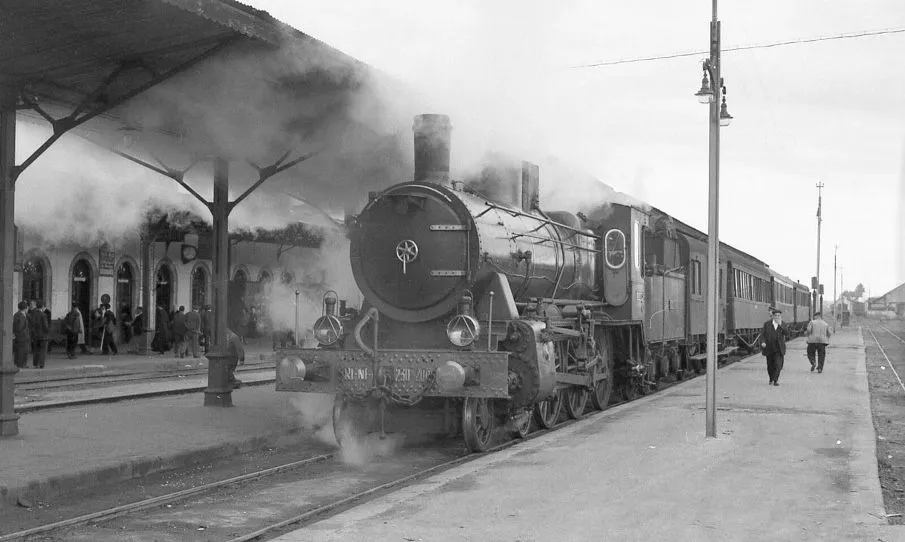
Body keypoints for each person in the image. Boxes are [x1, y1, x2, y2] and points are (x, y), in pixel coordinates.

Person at [761, 308, 790, 386]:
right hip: (769, 348)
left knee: (778, 365)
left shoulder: (783, 324)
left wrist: (781, 325)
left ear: (780, 316)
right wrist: (763, 342)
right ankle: (771, 379)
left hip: (779, 348)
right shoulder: (767, 324)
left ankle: (775, 380)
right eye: (776, 315)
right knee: (770, 366)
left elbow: (787, 333)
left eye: (779, 315)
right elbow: (763, 334)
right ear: (773, 316)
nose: (777, 317)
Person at [28, 300, 49, 368]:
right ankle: (41, 364)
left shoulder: (33, 314)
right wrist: (47, 332)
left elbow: (31, 324)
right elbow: (45, 326)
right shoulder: (43, 315)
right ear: (42, 306)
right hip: (43, 335)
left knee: (36, 350)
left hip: (35, 335)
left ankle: (35, 364)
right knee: (42, 350)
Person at [13, 301, 30, 368]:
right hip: (22, 336)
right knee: (22, 351)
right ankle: (21, 364)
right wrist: (25, 333)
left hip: (18, 336)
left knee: (19, 351)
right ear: (25, 308)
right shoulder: (21, 316)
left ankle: (19, 363)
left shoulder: (17, 314)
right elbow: (20, 327)